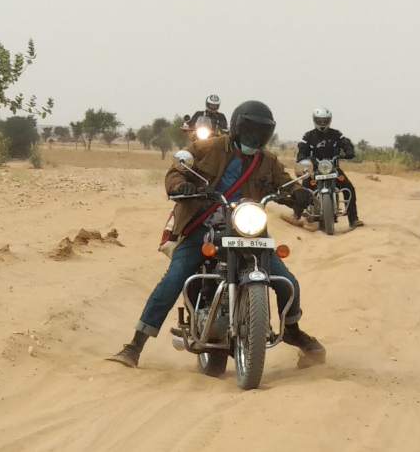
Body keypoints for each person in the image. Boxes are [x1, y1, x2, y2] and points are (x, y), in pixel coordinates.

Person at [109, 100, 324, 368]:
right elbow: (176, 172)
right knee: (175, 277)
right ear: (236, 128)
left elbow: (283, 182)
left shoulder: (266, 160)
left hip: (247, 230)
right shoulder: (207, 148)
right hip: (204, 226)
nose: (254, 138)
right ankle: (135, 345)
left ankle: (292, 330)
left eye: (261, 133)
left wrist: (298, 193)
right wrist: (182, 186)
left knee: (285, 279)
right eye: (250, 131)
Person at [295, 107, 364, 229]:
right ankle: (296, 216)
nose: (322, 123)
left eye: (325, 120)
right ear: (314, 120)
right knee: (304, 188)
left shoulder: (336, 134)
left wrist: (349, 151)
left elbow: (346, 143)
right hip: (315, 170)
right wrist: (303, 158)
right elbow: (302, 150)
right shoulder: (308, 136)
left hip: (333, 169)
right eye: (319, 120)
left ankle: (353, 219)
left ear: (329, 120)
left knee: (349, 187)